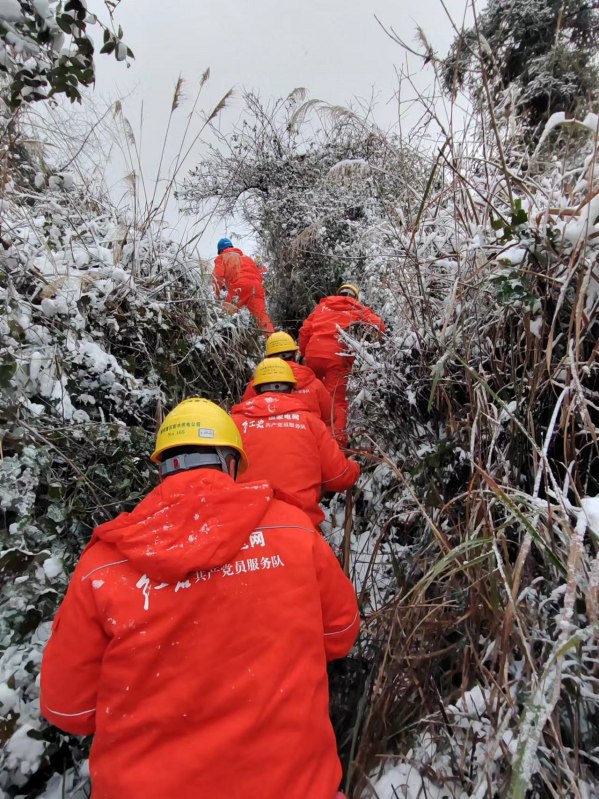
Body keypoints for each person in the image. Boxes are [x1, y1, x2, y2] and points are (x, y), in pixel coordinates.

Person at [40, 398, 359, 799]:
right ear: (230, 463)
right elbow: (341, 633)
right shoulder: (293, 529)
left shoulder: (101, 568)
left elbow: (69, 708)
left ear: (162, 468)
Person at [231, 359, 360, 528]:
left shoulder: (231, 424)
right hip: (299, 526)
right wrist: (355, 468)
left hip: (245, 527)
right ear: (292, 389)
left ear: (254, 389)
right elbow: (338, 477)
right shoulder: (310, 422)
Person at [299, 284, 385, 445]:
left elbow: (304, 331)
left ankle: (306, 439)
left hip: (313, 353)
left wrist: (304, 354)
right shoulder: (357, 309)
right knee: (335, 403)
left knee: (311, 397)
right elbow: (379, 326)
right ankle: (336, 447)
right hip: (337, 358)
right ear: (355, 296)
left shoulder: (322, 306)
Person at [241, 331, 334, 429]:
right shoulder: (315, 383)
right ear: (294, 355)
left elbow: (245, 418)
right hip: (309, 437)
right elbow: (330, 418)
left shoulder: (256, 385)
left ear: (268, 358)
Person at [213, 237, 275, 333]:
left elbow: (217, 278)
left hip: (238, 287)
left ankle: (228, 343)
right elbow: (260, 274)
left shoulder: (222, 257)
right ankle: (272, 341)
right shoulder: (247, 258)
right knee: (262, 318)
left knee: (226, 315)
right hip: (256, 287)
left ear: (220, 251)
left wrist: (215, 296)